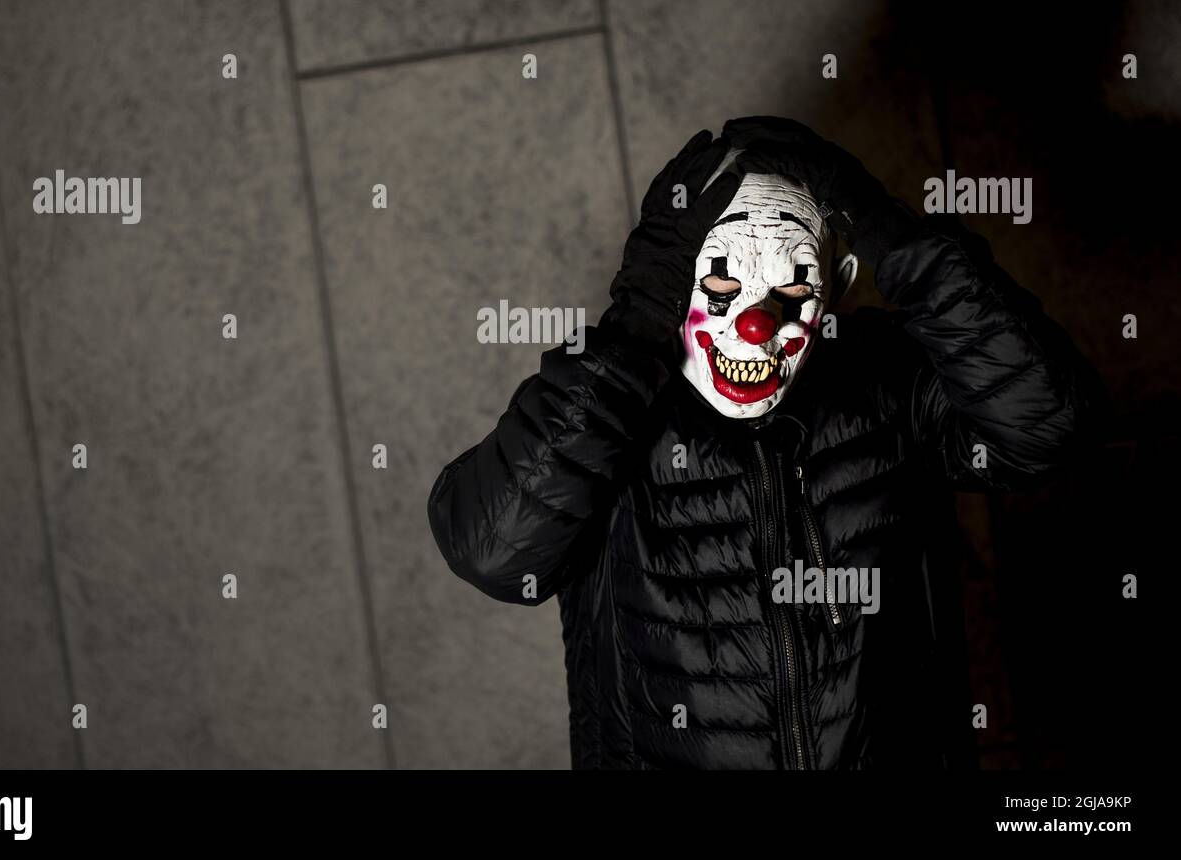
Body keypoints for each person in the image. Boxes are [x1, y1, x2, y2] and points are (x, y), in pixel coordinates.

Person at [427, 116, 1102, 769]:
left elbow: (1045, 429)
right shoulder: (608, 415)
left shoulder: (887, 380)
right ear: (674, 284)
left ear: (833, 291)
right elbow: (494, 552)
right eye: (722, 281)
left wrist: (895, 240)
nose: (755, 323)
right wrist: (634, 327)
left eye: (792, 285)